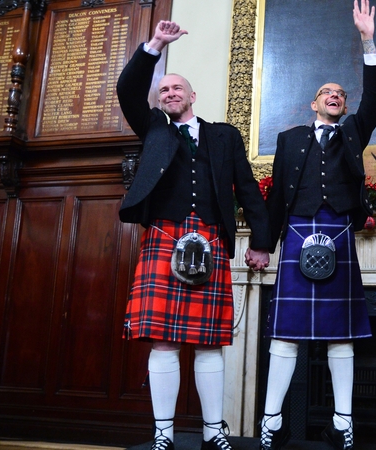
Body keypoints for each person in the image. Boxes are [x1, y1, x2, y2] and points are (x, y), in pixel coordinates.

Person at [116, 20, 271, 450]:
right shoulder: (154, 128)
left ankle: (213, 431)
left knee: (210, 342)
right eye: (163, 90)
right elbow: (128, 90)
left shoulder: (224, 136)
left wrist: (261, 243)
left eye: (176, 88)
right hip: (165, 236)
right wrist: (155, 45)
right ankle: (163, 433)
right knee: (164, 341)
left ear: (192, 95)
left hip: (211, 239)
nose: (169, 94)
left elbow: (247, 188)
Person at [258, 1, 376, 449]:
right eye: (326, 92)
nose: (334, 95)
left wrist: (368, 40)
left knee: (341, 334)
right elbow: (277, 196)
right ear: (313, 103)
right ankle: (272, 423)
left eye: (340, 93)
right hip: (296, 232)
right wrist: (262, 244)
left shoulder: (353, 132)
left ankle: (343, 424)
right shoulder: (290, 139)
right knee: (285, 332)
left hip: (339, 232)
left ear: (344, 106)